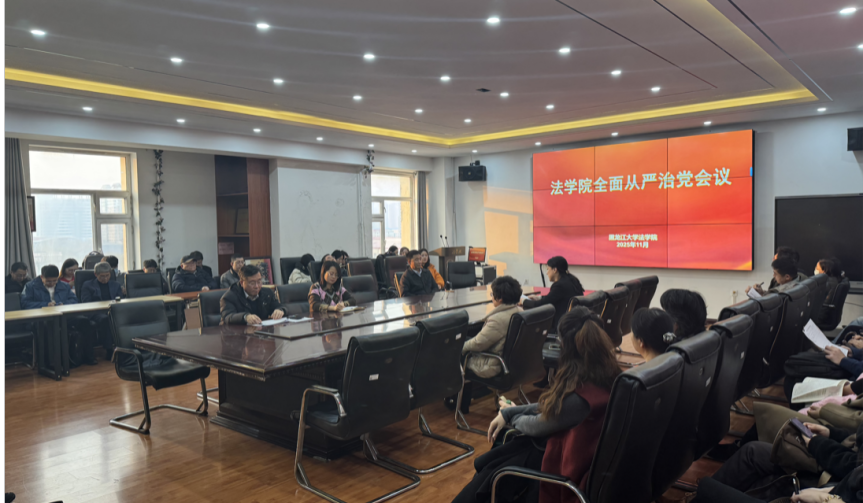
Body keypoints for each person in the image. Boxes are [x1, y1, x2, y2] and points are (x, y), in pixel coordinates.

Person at [452, 307, 621, 503]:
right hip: (580, 463)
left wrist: (512, 417)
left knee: (496, 465)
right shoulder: (608, 378)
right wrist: (510, 413)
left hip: (561, 471)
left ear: (565, 347)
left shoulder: (580, 396)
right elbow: (552, 409)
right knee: (499, 461)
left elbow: (538, 425)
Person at [21, 265, 96, 365]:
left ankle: (88, 357)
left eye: (54, 281)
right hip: (42, 318)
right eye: (48, 281)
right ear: (42, 277)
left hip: (63, 316)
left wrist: (63, 304)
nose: (52, 283)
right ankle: (51, 363)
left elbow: (74, 300)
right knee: (48, 327)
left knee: (84, 322)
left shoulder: (64, 285)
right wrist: (45, 305)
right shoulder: (30, 286)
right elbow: (25, 304)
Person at [463, 276, 522, 378]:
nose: (491, 297)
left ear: (499, 299)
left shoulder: (497, 320)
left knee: (457, 350)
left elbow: (478, 344)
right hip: (515, 362)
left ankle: (459, 388)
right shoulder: (520, 311)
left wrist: (459, 347)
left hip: (492, 365)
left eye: (492, 294)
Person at [522, 256, 584, 333]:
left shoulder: (559, 285)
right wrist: (539, 297)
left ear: (555, 270)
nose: (547, 272)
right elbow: (553, 298)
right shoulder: (571, 280)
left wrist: (523, 301)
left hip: (560, 326)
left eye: (548, 269)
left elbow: (542, 305)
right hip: (573, 323)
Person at [81, 262, 124, 359]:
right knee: (106, 319)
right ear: (96, 274)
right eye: (102, 276)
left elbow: (120, 299)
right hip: (95, 312)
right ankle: (109, 350)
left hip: (112, 310)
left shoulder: (116, 285)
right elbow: (86, 302)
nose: (105, 278)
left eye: (107, 275)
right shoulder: (88, 285)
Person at [220, 265, 287, 325]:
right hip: (238, 333)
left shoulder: (267, 293)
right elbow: (227, 317)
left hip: (262, 331)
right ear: (242, 283)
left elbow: (281, 307)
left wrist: (280, 310)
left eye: (259, 281)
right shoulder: (229, 297)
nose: (257, 286)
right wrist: (245, 317)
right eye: (252, 283)